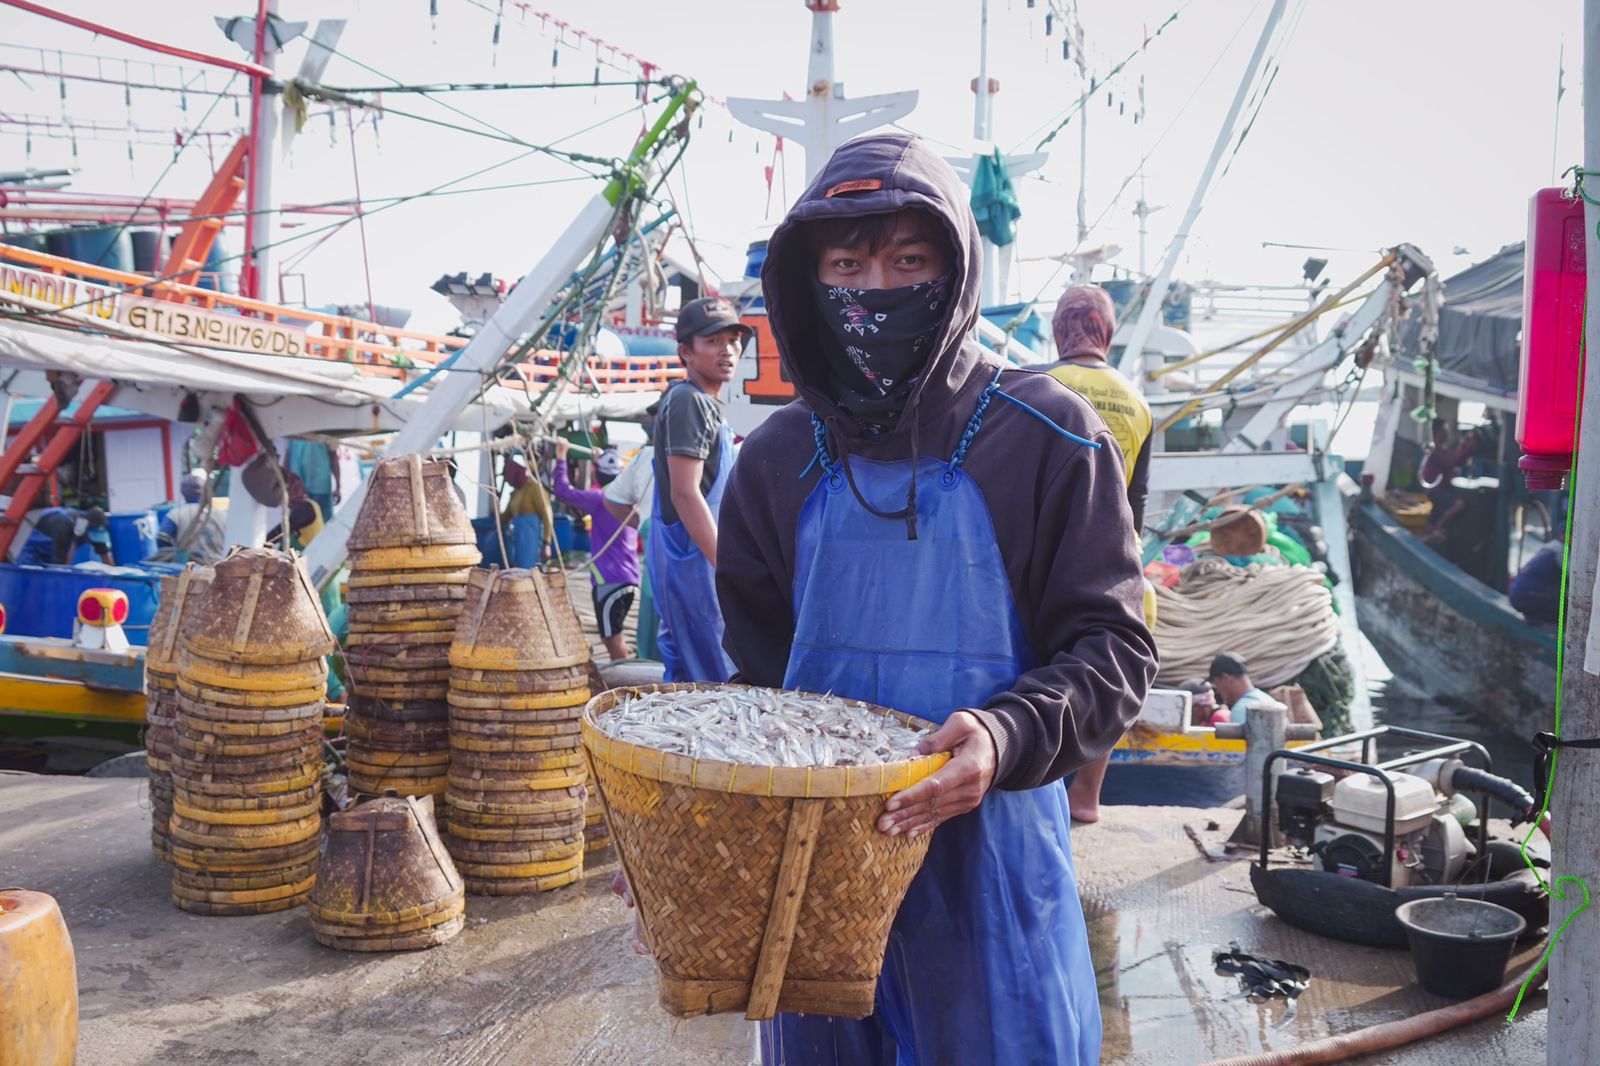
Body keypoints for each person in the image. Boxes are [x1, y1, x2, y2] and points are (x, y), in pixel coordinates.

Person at [715, 132, 1156, 1065]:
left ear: (955, 272)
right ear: (808, 282)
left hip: (993, 872)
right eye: (847, 264)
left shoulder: (1048, 434)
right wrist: (704, 850)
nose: (877, 287)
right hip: (819, 886)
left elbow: (1115, 648)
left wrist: (1003, 737)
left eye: (909, 259)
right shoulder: (773, 461)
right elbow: (749, 696)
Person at [1046, 283, 1155, 824]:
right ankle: (1085, 799)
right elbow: (1138, 500)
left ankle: (1034, 785)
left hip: (1050, 559)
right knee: (1109, 673)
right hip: (1117, 559)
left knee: (1042, 668)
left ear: (1059, 329)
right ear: (1106, 332)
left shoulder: (1041, 385)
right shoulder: (1138, 402)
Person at [648, 295, 750, 683]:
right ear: (686, 352)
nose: (727, 351)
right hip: (697, 566)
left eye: (733, 340)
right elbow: (685, 493)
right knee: (715, 682)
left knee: (688, 681)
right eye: (713, 341)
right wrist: (729, 567)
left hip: (691, 564)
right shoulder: (691, 402)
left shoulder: (702, 404)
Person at [553, 439, 640, 660]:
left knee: (612, 640)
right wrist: (598, 461)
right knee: (610, 637)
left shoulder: (600, 499)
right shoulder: (628, 498)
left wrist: (561, 455)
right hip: (629, 578)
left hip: (609, 581)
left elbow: (562, 491)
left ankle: (624, 689)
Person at [155, 471, 227, 564]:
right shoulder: (222, 514)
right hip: (219, 565)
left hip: (188, 568)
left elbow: (162, 539)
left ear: (183, 492)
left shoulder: (176, 514)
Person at [1510, 517, 1565, 626]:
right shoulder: (1562, 552)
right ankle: (1545, 624)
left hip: (1515, 594)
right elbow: (1575, 580)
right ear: (1563, 535)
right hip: (1527, 597)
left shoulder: (1550, 546)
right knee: (1567, 597)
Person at [501, 456, 555, 563]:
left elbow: (547, 513)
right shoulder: (515, 494)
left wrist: (547, 543)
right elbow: (504, 518)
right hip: (518, 549)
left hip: (533, 548)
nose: (507, 481)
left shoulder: (534, 488)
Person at [17, 505, 110, 565]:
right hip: (38, 540)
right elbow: (62, 563)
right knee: (32, 571)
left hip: (57, 542)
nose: (94, 538)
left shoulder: (95, 523)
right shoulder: (65, 527)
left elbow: (104, 553)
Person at [1206, 651, 1279, 725]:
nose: (1218, 691)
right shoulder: (1268, 700)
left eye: (1217, 684)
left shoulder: (1240, 710)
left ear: (1226, 679)